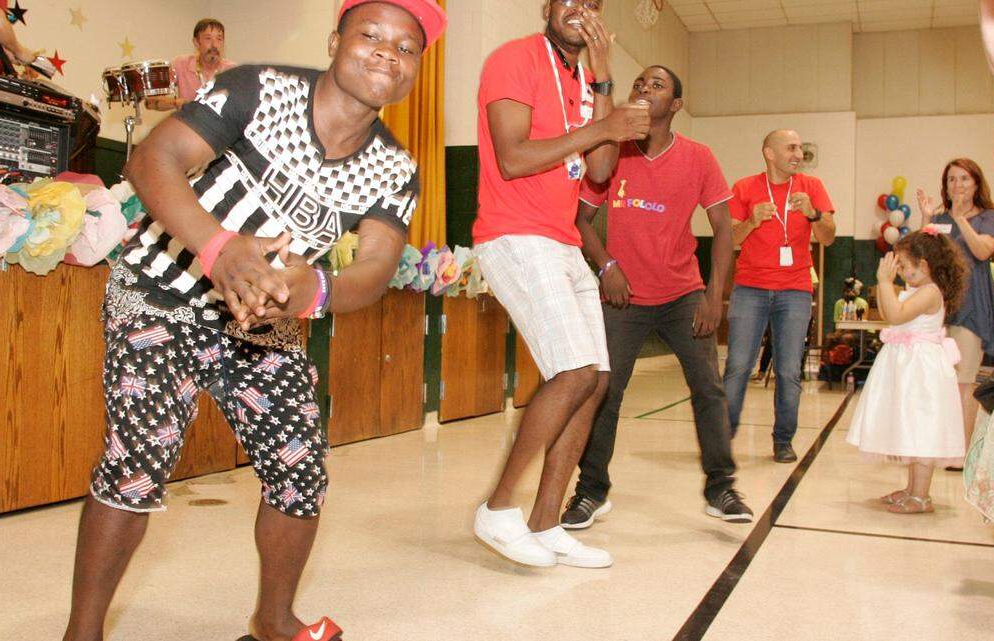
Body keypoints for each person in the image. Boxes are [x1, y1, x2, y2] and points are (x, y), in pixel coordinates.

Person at [60, 3, 446, 641]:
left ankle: (271, 622)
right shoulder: (257, 88)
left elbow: (375, 269)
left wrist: (312, 288)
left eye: (405, 48)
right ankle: (83, 634)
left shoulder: (396, 168)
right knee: (138, 459)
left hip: (264, 325)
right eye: (370, 35)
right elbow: (151, 160)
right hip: (162, 292)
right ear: (334, 41)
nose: (386, 53)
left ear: (414, 71)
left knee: (300, 470)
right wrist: (218, 249)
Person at [471, 0, 649, 569]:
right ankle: (498, 509)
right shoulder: (514, 59)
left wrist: (604, 81)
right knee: (571, 371)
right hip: (514, 235)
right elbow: (513, 158)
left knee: (594, 379)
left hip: (563, 240)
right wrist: (603, 126)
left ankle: (546, 522)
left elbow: (598, 171)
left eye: (592, 3)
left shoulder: (585, 78)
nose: (580, 9)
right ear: (547, 7)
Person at [561, 65, 753, 530]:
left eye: (658, 85)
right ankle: (591, 491)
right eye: (640, 83)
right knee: (606, 392)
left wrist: (714, 297)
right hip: (624, 299)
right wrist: (606, 266)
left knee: (708, 388)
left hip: (683, 293)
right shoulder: (612, 154)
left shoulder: (699, 157)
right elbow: (580, 219)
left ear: (676, 105)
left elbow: (725, 229)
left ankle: (721, 486)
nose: (645, 89)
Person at [722, 129, 837, 463]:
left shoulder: (812, 188)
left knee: (788, 370)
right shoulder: (744, 187)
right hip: (750, 289)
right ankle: (722, 437)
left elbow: (828, 238)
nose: (798, 153)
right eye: (791, 147)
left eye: (800, 147)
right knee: (738, 366)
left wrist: (815, 214)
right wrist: (752, 221)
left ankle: (783, 441)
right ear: (769, 153)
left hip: (795, 290)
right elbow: (730, 240)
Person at [846, 230, 968, 514]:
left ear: (923, 266)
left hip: (921, 372)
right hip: (908, 367)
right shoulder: (920, 287)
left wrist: (883, 282)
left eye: (902, 265)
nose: (898, 270)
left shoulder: (929, 291)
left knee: (922, 429)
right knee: (912, 427)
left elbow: (896, 315)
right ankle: (913, 489)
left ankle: (921, 496)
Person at [917, 158, 994, 461]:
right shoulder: (940, 218)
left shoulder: (989, 217)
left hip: (972, 310)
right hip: (940, 310)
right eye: (952, 180)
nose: (957, 185)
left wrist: (960, 218)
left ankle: (962, 452)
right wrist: (926, 220)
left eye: (964, 179)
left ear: (976, 183)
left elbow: (982, 250)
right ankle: (942, 444)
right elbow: (922, 259)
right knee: (941, 380)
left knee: (963, 381)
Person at [147, 18, 238, 112]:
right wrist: (175, 103)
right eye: (208, 38)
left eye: (219, 39)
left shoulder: (233, 70)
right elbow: (150, 102)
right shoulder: (180, 64)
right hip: (188, 124)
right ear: (196, 43)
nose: (214, 44)